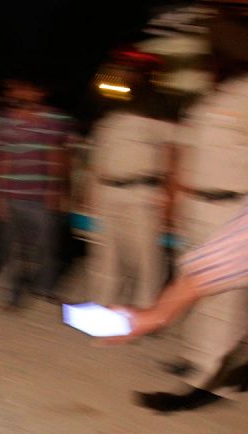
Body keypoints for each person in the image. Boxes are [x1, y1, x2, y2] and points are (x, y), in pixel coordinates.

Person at [133, 13, 248, 412]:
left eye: (213, 51)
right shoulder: (212, 97)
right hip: (197, 206)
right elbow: (188, 153)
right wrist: (173, 200)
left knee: (223, 299)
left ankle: (208, 382)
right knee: (196, 289)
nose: (207, 58)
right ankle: (195, 359)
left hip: (233, 209)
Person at [87, 53, 176, 309]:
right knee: (105, 255)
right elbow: (97, 159)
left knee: (146, 258)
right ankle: (101, 305)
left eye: (131, 72)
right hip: (108, 190)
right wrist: (92, 194)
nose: (125, 76)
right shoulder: (108, 114)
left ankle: (146, 311)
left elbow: (172, 154)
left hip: (141, 191)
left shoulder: (158, 110)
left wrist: (170, 197)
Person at [0, 79, 73, 307]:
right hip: (8, 195)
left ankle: (44, 288)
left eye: (27, 88)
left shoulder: (54, 120)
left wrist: (56, 189)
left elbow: (59, 155)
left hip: (40, 196)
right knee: (9, 247)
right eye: (17, 88)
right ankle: (11, 293)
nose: (21, 93)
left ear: (39, 92)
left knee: (46, 246)